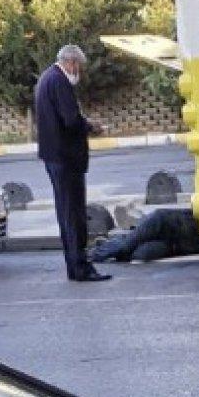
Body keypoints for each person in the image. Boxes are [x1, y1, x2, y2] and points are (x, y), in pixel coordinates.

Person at [35, 45, 112, 282]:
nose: (79, 72)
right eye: (79, 66)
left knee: (66, 213)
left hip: (55, 158)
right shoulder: (59, 81)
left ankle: (74, 266)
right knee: (74, 214)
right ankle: (81, 267)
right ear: (71, 63)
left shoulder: (46, 78)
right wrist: (92, 127)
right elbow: (70, 119)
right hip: (66, 158)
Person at [90, 208, 199, 263]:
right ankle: (93, 254)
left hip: (173, 246)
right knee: (125, 247)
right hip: (163, 222)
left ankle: (109, 243)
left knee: (141, 254)